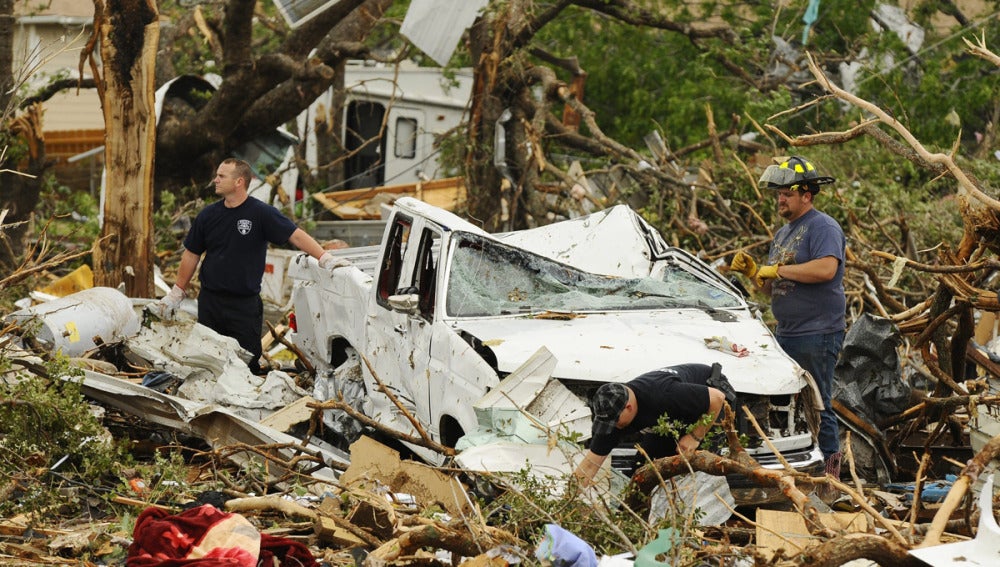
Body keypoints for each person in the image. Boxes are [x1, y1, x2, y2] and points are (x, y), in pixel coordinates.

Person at [153, 158, 347, 373]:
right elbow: (191, 255)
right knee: (207, 362)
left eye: (222, 176)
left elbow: (296, 236)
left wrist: (324, 257)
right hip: (210, 302)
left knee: (246, 365)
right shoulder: (208, 215)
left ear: (239, 182)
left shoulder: (260, 213)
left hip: (244, 306)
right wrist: (177, 291)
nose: (215, 180)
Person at [729, 155, 846, 479]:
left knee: (820, 405)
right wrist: (756, 273)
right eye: (778, 194)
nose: (780, 199)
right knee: (789, 405)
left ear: (806, 194)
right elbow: (770, 291)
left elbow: (826, 268)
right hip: (787, 333)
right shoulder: (782, 234)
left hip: (818, 332)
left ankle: (832, 479)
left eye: (787, 193)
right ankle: (799, 470)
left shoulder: (823, 226)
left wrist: (777, 269)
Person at [573, 363, 731, 487]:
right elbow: (589, 466)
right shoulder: (612, 415)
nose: (613, 427)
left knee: (690, 476)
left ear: (629, 408)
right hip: (669, 420)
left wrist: (695, 436)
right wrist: (568, 500)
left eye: (615, 422)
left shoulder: (663, 395)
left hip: (710, 407)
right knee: (641, 476)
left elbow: (717, 398)